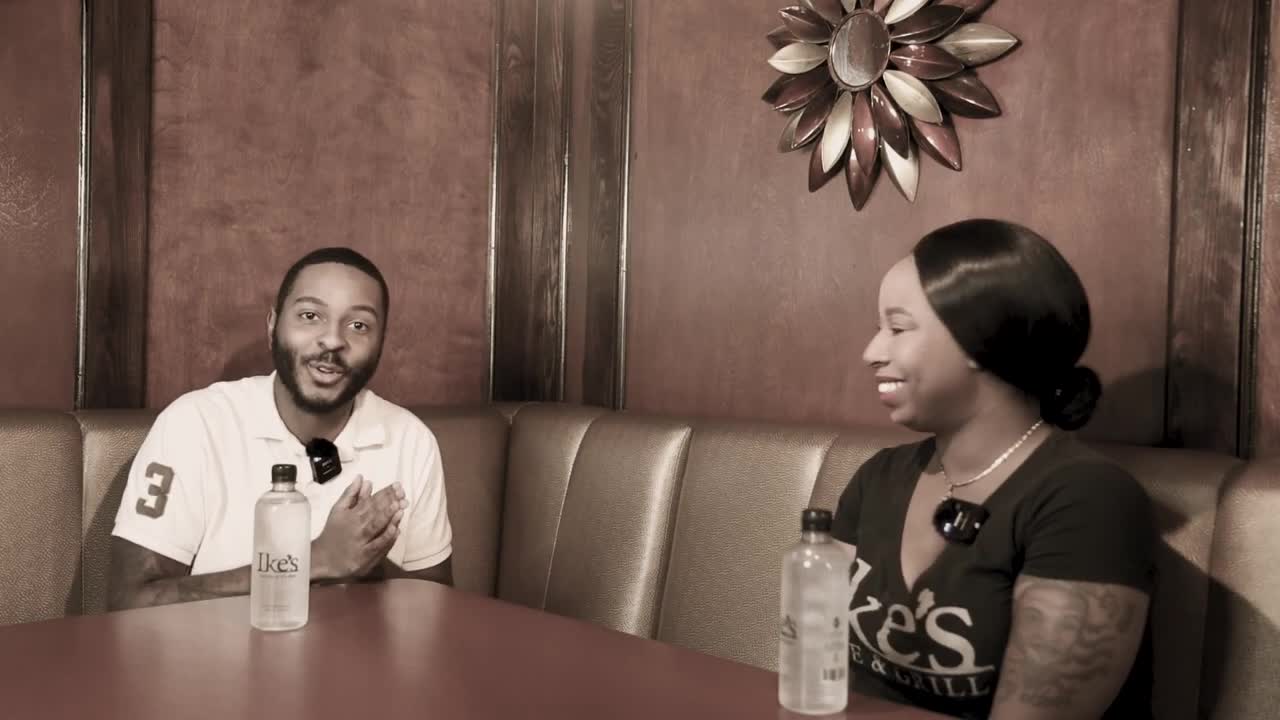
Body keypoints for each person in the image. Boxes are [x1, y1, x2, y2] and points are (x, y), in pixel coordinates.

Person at [833, 219, 1154, 719]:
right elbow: (818, 668)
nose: (872, 353)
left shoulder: (1088, 501)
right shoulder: (878, 478)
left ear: (979, 338)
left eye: (897, 328)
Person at [108, 247, 453, 610]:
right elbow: (129, 601)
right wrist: (314, 560)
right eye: (310, 316)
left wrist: (365, 559)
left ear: (380, 342)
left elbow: (437, 610)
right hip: (213, 647)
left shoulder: (411, 440)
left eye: (358, 325)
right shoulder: (194, 423)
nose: (333, 340)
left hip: (358, 648)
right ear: (273, 325)